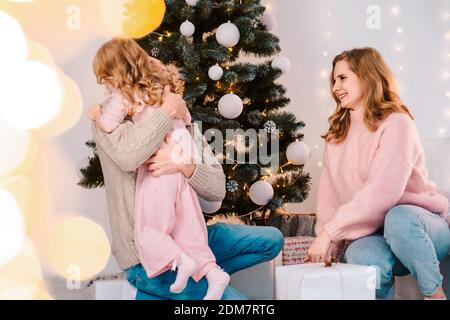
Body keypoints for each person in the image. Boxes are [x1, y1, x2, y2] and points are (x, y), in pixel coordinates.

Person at [89, 39, 284, 300]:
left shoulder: (183, 123)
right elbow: (129, 157)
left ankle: (196, 274)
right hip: (144, 251)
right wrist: (167, 111)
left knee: (272, 240)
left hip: (190, 235)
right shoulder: (108, 117)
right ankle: (171, 281)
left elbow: (216, 189)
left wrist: (183, 165)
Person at [308, 47, 450, 300]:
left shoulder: (397, 123)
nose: (335, 87)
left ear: (366, 77)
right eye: (333, 80)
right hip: (375, 234)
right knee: (363, 257)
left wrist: (332, 231)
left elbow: (381, 193)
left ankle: (435, 294)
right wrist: (328, 241)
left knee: (398, 217)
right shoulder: (336, 135)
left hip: (421, 227)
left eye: (343, 78)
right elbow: (330, 196)